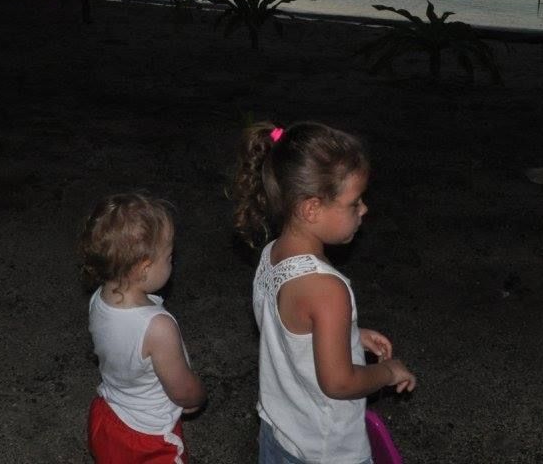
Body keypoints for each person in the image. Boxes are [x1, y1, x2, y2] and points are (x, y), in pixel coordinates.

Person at [233, 121, 416, 463]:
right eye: (354, 203)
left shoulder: (272, 255)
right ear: (311, 209)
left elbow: (292, 332)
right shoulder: (328, 289)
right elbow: (339, 383)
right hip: (325, 450)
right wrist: (389, 372)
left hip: (278, 433)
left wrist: (350, 335)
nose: (364, 210)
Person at [81, 193, 205, 463]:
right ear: (144, 269)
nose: (173, 261)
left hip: (110, 417)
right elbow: (182, 391)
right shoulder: (158, 327)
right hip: (149, 438)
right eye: (169, 256)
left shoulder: (98, 299)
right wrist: (198, 395)